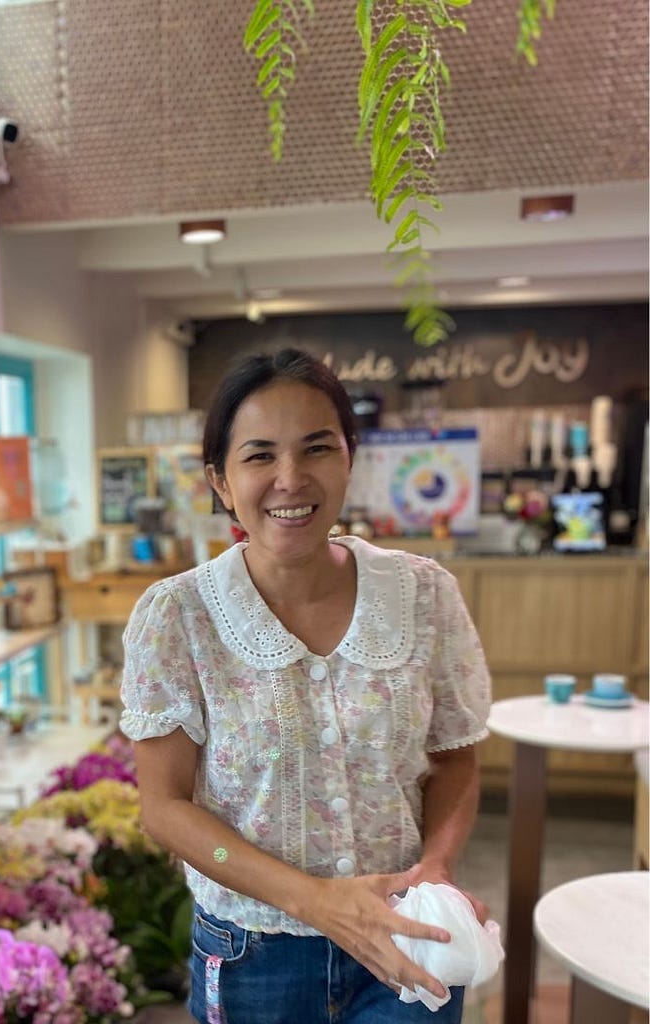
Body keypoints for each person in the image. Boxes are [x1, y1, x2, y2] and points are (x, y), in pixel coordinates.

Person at [119, 348, 491, 1024]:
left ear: (350, 458)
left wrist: (436, 868)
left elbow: (454, 758)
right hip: (253, 954)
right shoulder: (178, 616)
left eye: (316, 448)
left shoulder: (424, 594)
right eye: (259, 455)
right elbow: (164, 807)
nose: (290, 479)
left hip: (404, 937)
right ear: (221, 481)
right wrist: (313, 900)